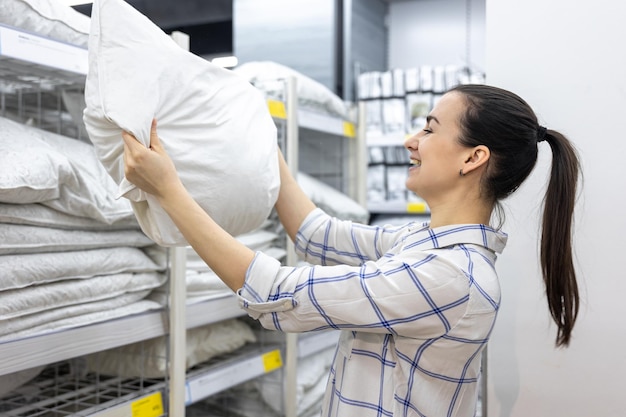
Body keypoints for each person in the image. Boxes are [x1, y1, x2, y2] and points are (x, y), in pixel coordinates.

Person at [121, 84, 581, 417]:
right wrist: (263, 136)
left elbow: (276, 294)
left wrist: (169, 191)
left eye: (429, 129)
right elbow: (315, 233)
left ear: (472, 158)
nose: (411, 141)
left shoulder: (449, 275)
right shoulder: (420, 245)